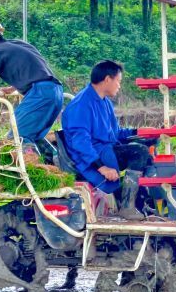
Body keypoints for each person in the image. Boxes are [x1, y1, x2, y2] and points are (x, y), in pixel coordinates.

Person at [61, 60, 150, 221]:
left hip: (107, 149)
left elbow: (114, 133)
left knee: (147, 145)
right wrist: (101, 167)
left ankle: (141, 201)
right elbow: (80, 143)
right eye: (119, 81)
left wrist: (141, 132)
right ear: (107, 79)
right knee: (139, 152)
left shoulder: (105, 103)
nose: (119, 86)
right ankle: (127, 207)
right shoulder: (81, 104)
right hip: (93, 157)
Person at [0, 18, 63, 158]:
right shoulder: (18, 44)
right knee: (33, 136)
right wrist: (13, 87)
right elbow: (34, 68)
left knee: (16, 138)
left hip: (40, 94)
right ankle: (58, 169)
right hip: (55, 92)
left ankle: (32, 174)